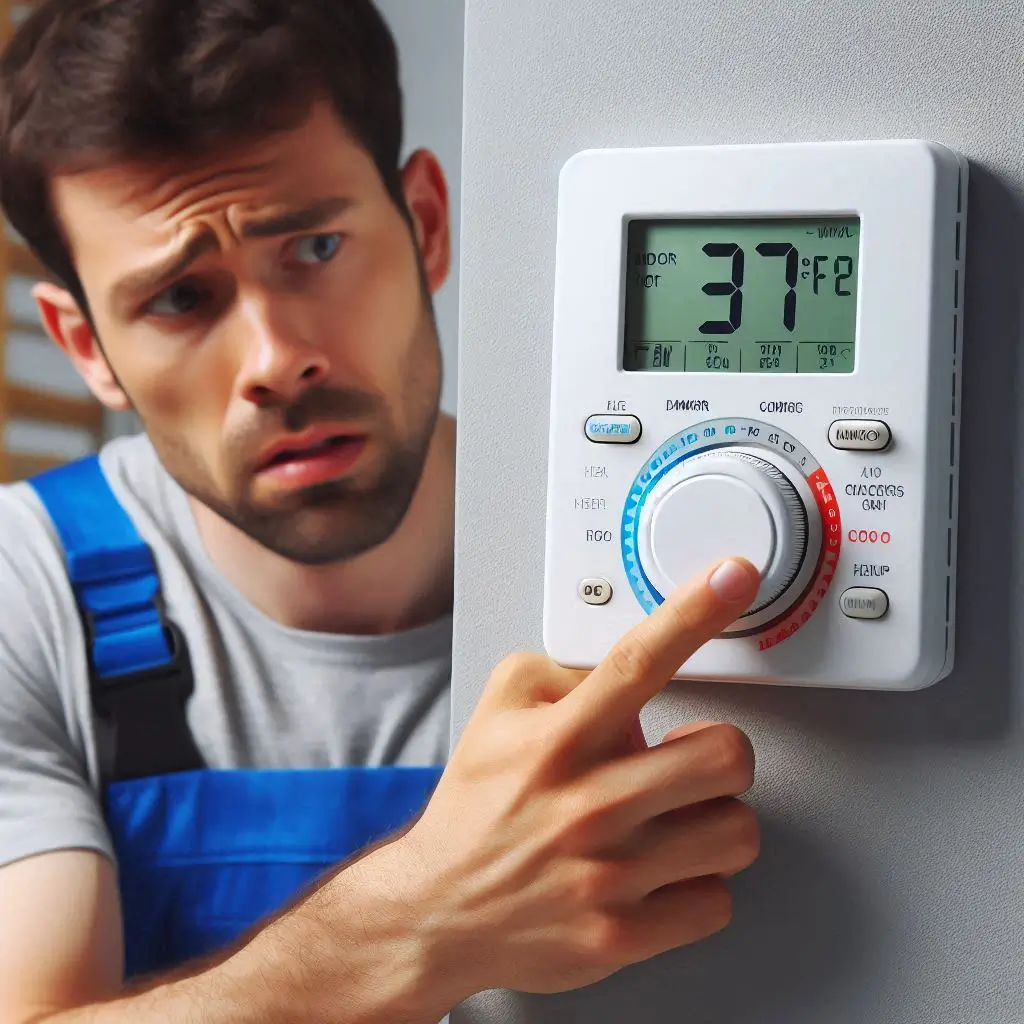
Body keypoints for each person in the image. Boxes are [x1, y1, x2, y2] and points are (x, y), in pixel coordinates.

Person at [0, 0, 763, 1020]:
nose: (277, 360)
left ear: (428, 224)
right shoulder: (27, 584)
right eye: (181, 298)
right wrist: (424, 918)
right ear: (86, 345)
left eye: (314, 248)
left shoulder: (639, 553)